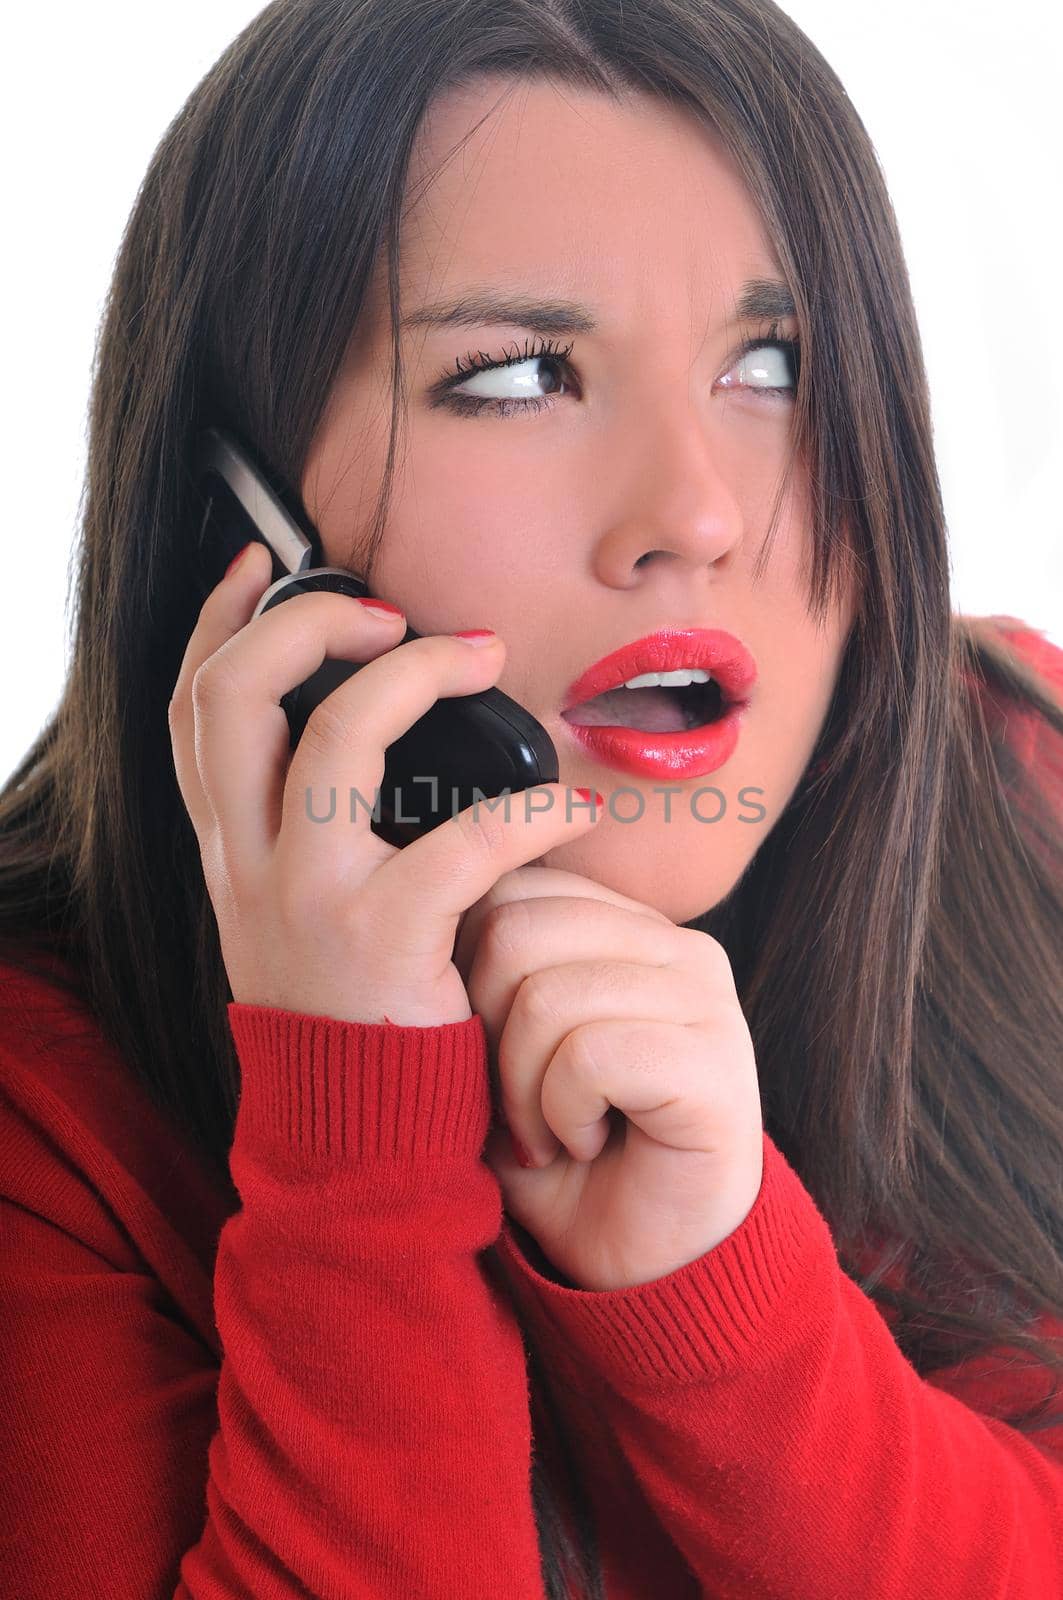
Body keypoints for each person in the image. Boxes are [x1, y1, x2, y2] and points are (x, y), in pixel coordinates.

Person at [1, 1, 1060, 1595]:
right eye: (514, 378)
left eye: (771, 363)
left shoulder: (1021, 766)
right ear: (249, 525)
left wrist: (718, 1291)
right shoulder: (42, 1102)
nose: (694, 514)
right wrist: (357, 1113)